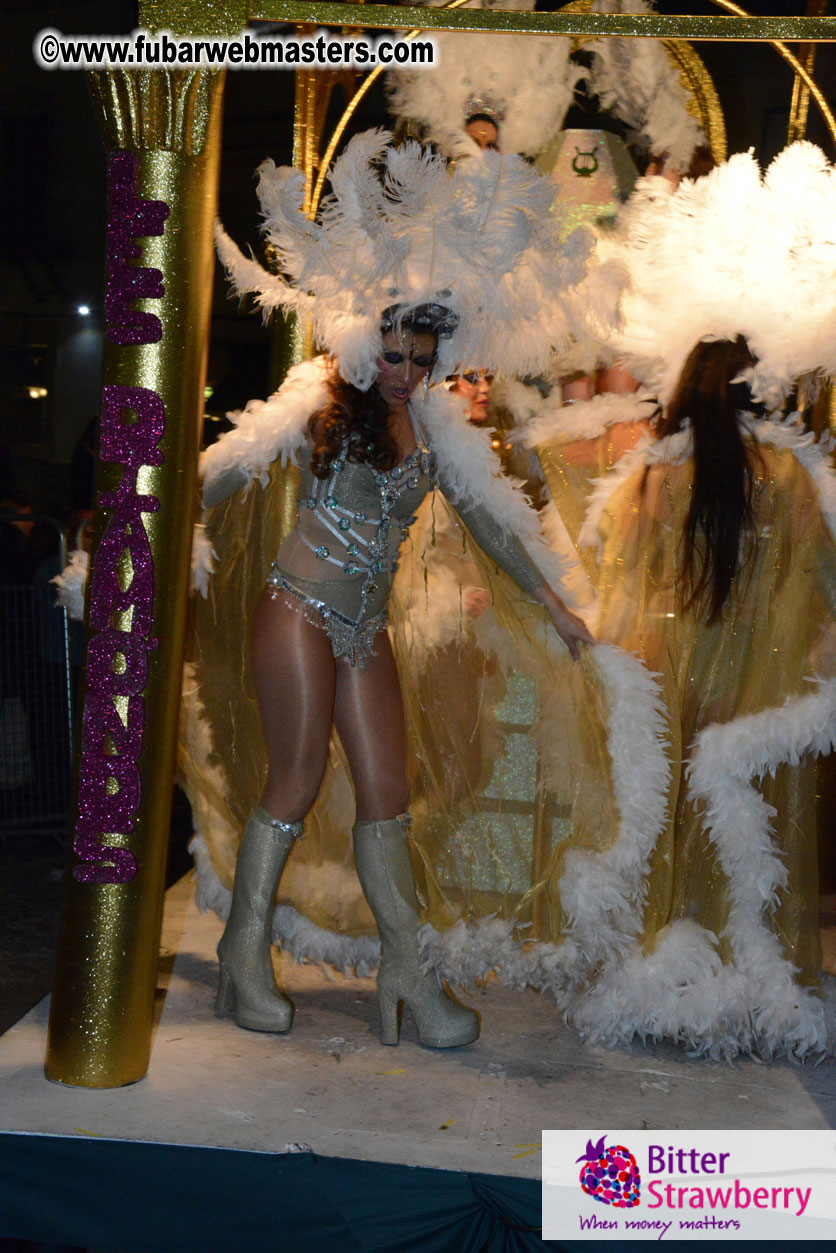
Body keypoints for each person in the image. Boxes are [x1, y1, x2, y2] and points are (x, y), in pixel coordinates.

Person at [199, 134, 595, 1048]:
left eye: (421, 358)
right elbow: (220, 472)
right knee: (297, 779)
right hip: (298, 611)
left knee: (389, 793)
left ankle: (407, 973)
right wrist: (137, 524)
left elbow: (492, 518)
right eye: (394, 355)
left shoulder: (439, 424)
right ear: (362, 341)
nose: (408, 374)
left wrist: (553, 605)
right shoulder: (315, 396)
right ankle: (242, 951)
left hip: (363, 626)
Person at [575, 336, 836, 1058]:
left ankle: (660, 970)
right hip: (757, 681)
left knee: (667, 826)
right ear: (762, 390)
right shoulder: (787, 474)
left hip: (667, 671)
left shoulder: (656, 474)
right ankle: (748, 976)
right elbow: (821, 580)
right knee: (749, 830)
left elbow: (618, 573)